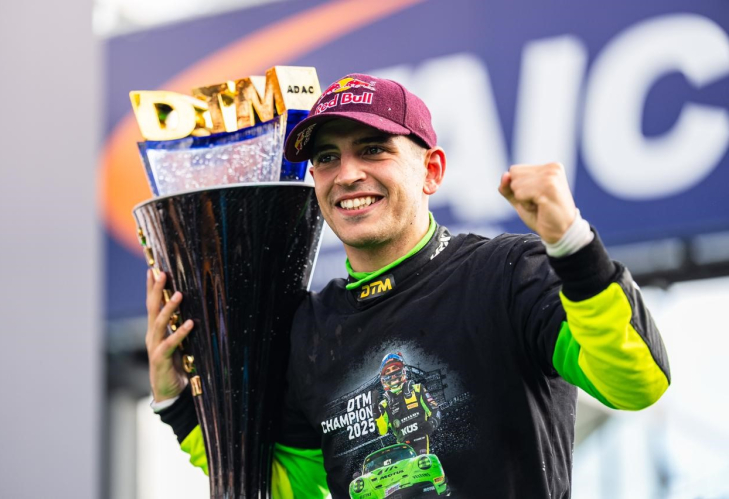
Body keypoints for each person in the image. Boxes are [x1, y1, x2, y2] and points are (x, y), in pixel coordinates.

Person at [145, 73, 671, 498]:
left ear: (431, 171)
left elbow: (636, 382)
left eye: (373, 150)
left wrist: (573, 245)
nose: (347, 174)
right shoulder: (310, 328)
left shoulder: (508, 272)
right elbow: (284, 490)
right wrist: (178, 402)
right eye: (326, 158)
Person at [373, 352, 442, 456]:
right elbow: (382, 431)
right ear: (383, 377)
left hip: (424, 439)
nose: (392, 374)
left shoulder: (417, 389)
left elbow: (435, 409)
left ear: (403, 370)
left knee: (422, 462)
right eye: (388, 371)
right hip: (403, 447)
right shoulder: (384, 404)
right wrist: (376, 412)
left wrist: (431, 424)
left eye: (395, 368)